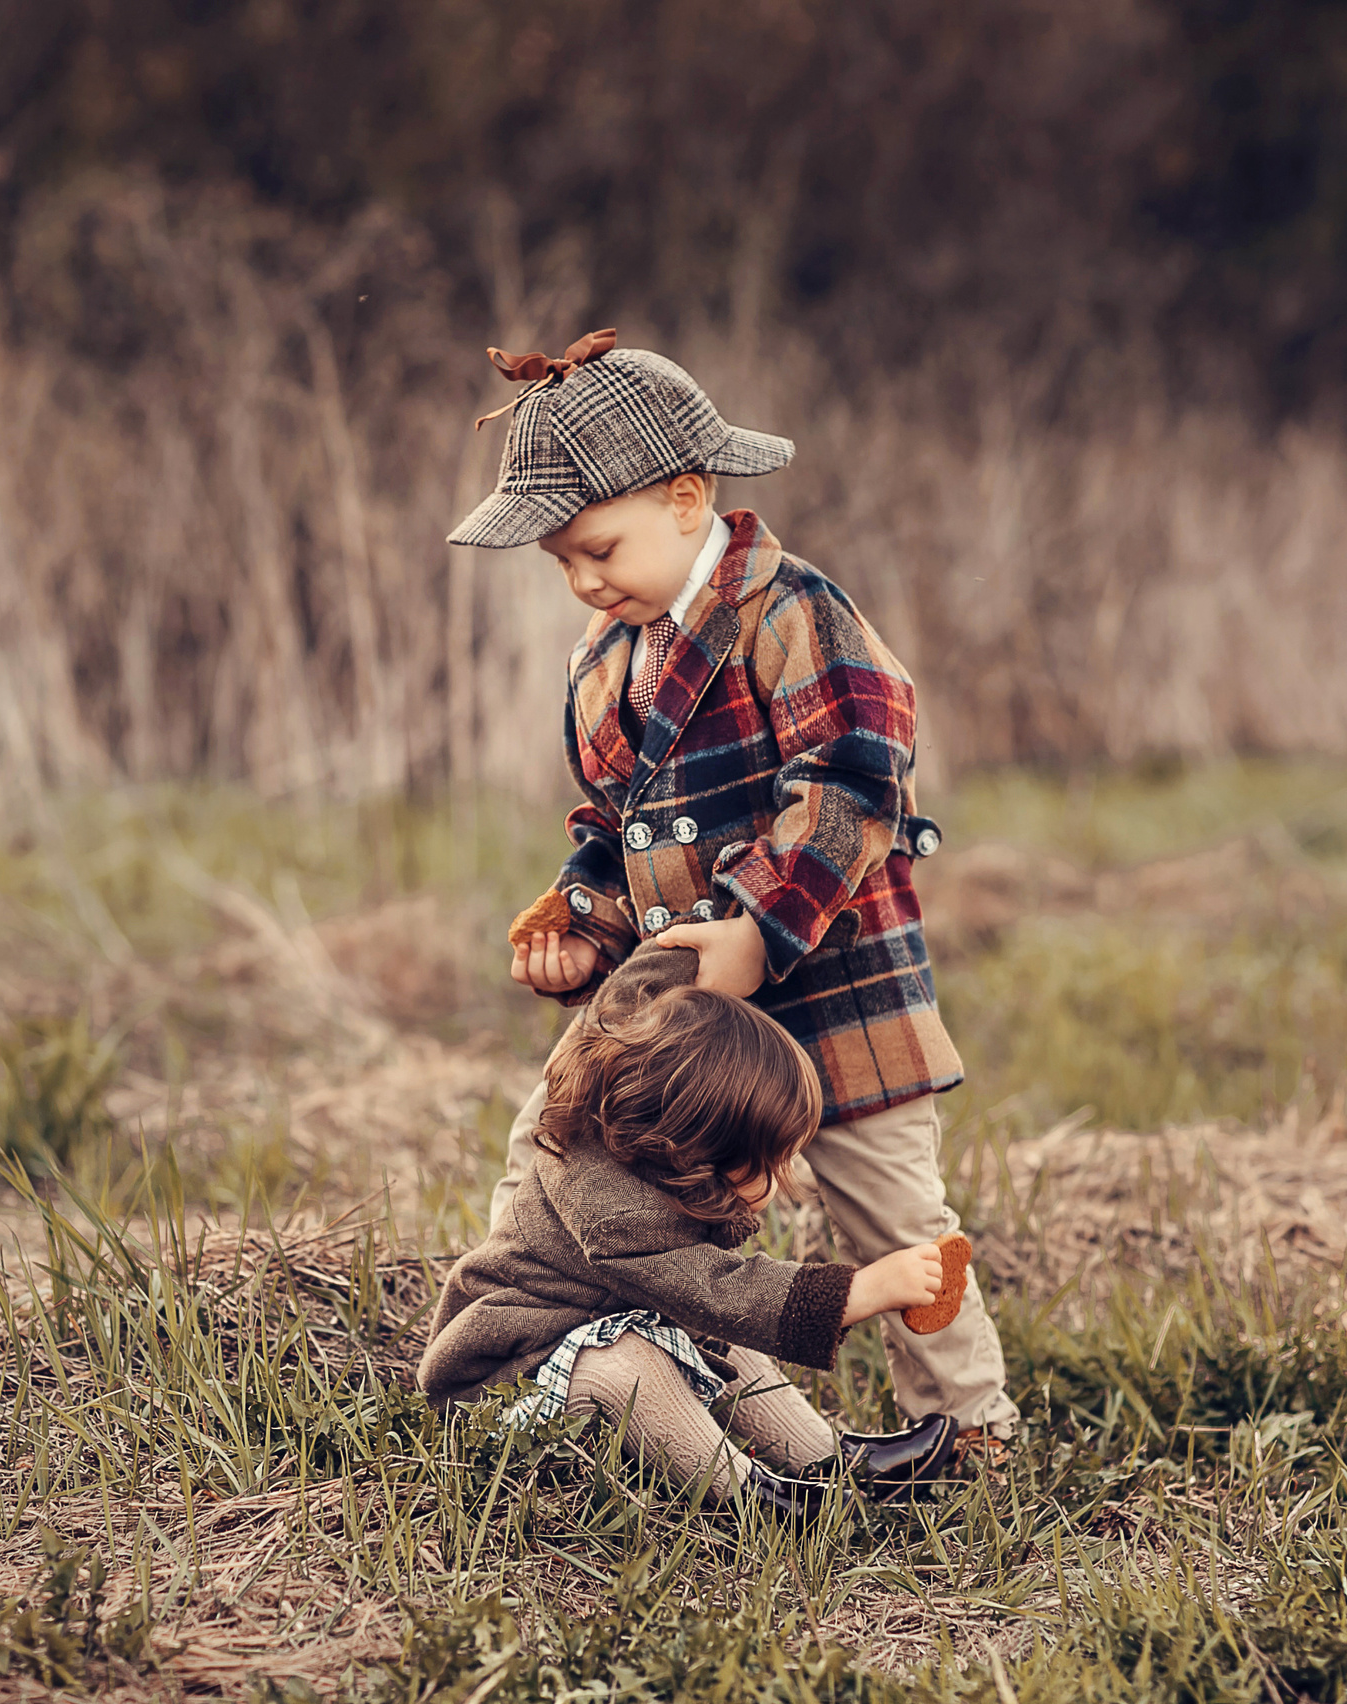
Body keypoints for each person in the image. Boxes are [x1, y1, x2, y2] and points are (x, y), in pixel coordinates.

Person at [449, 328, 1020, 1464]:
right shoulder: (602, 663)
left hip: (835, 993)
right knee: (655, 1223)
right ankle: (703, 1409)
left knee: (895, 1216)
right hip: (689, 1033)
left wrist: (760, 931)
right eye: (559, 562)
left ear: (685, 497)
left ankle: (968, 1429)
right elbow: (611, 831)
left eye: (597, 547)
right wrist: (581, 921)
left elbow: (851, 782)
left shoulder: (792, 615)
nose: (582, 580)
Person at [417, 946, 956, 1513]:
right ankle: (752, 1498)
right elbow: (723, 1290)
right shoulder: (616, 1215)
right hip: (500, 1382)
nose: (786, 1176)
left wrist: (688, 947)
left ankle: (831, 1462)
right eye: (770, 1164)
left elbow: (623, 997)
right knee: (630, 1362)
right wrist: (861, 1290)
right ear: (700, 1151)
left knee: (712, 1340)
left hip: (577, 1333)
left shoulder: (628, 1105)